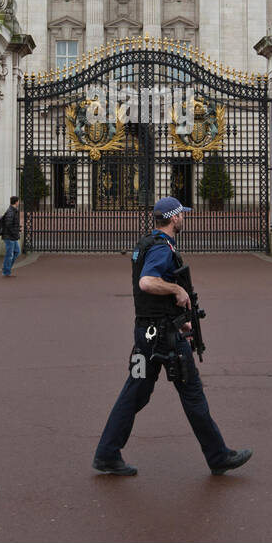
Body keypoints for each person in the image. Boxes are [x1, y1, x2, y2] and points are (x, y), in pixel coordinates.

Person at [93, 197, 251, 477]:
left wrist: (180, 322)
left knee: (135, 391)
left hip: (147, 332)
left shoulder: (146, 243)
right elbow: (147, 281)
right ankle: (217, 456)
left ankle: (107, 453)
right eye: (182, 215)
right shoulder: (162, 249)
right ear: (174, 218)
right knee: (192, 392)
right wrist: (177, 292)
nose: (184, 219)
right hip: (163, 337)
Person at [0, 195, 21, 276]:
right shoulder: (11, 211)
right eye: (18, 201)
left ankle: (6, 267)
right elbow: (8, 225)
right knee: (9, 254)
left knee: (16, 252)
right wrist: (15, 232)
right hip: (9, 237)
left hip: (12, 236)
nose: (19, 202)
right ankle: (6, 271)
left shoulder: (13, 210)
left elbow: (11, 224)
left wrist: (17, 229)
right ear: (16, 202)